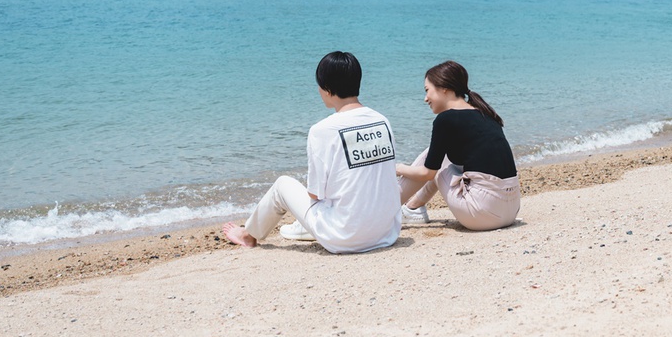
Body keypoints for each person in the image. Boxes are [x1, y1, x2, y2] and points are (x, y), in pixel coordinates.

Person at [222, 51, 401, 253]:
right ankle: (307, 227)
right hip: (386, 232)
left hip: (345, 237)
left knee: (282, 185)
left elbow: (315, 193)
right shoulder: (381, 120)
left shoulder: (323, 130)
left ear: (326, 89)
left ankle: (247, 235)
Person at [395, 60, 520, 231]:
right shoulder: (486, 114)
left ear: (444, 88)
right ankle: (412, 208)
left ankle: (384, 211)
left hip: (483, 214)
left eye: (427, 91)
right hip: (511, 210)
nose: (425, 99)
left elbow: (427, 173)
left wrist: (398, 168)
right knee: (438, 158)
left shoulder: (446, 119)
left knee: (431, 160)